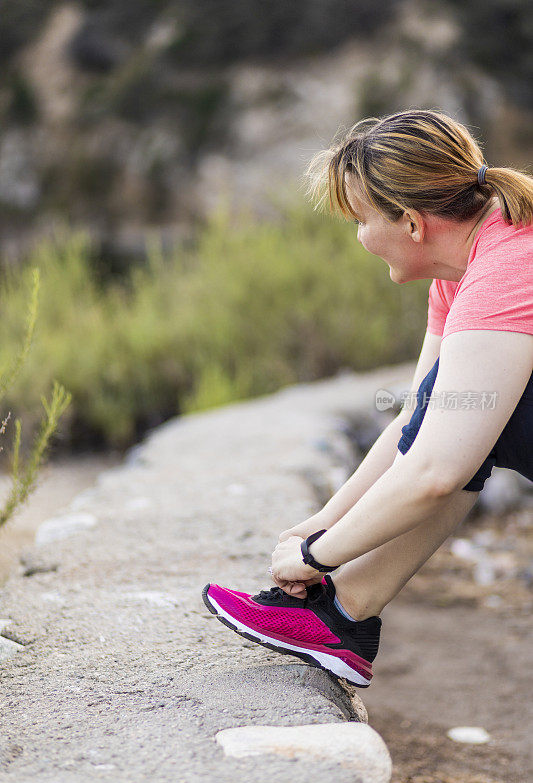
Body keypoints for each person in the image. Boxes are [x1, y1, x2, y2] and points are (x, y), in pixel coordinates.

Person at [203, 109, 533, 687]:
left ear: (410, 222)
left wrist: (318, 558)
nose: (358, 238)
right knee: (451, 403)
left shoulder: (511, 265)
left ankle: (343, 614)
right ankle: (342, 615)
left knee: (467, 414)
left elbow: (437, 468)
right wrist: (323, 523)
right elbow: (416, 417)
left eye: (359, 219)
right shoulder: (464, 267)